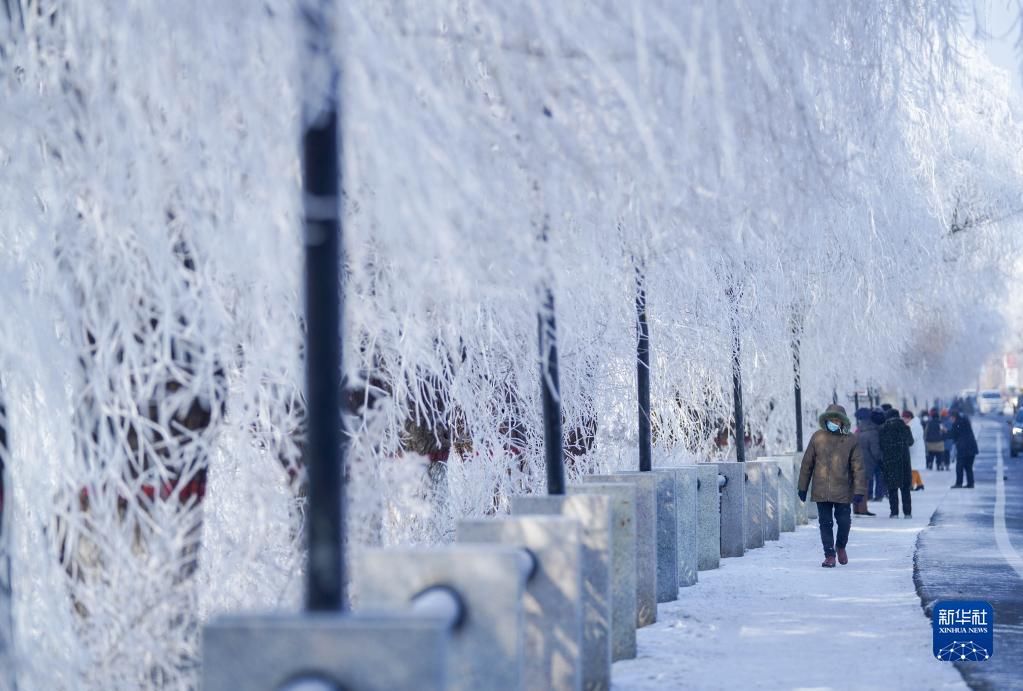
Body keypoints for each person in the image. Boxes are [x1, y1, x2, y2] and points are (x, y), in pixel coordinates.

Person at [797, 404, 867, 568]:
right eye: (831, 419)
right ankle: (829, 555)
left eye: (837, 420)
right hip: (821, 489)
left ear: (842, 421)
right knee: (825, 523)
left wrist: (859, 491)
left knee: (844, 522)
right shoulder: (817, 437)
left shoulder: (850, 439)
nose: (833, 422)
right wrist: (802, 487)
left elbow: (858, 467)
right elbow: (807, 463)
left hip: (843, 489)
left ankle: (841, 546)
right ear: (826, 420)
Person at [879, 408, 914, 518]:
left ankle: (894, 513)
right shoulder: (905, 427)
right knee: (905, 489)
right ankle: (907, 513)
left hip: (890, 462)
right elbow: (911, 442)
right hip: (904, 462)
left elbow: (881, 445)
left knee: (892, 489)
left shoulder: (883, 429)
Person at [853, 408, 880, 516]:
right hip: (867, 462)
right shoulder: (872, 432)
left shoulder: (858, 431)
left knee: (858, 485)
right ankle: (863, 509)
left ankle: (856, 508)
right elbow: (875, 450)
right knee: (864, 486)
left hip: (856, 461)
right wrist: (879, 458)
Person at [945, 407, 979, 488]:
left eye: (950, 418)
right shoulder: (964, 421)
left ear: (953, 417)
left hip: (963, 449)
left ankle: (959, 483)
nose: (950, 420)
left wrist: (945, 431)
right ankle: (971, 483)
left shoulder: (957, 423)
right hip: (972, 448)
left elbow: (953, 435)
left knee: (959, 466)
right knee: (968, 467)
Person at [867, 408, 888, 500]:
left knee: (870, 476)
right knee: (880, 476)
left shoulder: (869, 425)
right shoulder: (884, 425)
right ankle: (879, 495)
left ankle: (869, 494)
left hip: (869, 455)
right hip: (881, 454)